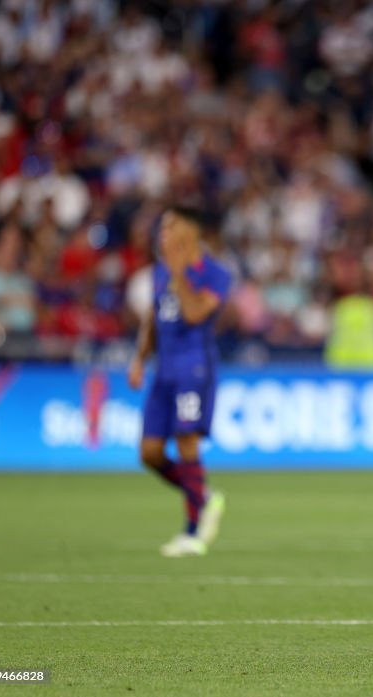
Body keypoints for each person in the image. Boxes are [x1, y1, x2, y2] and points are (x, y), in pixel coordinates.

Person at [128, 207, 232, 558]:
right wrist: (140, 358)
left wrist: (179, 274)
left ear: (190, 233)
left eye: (170, 227)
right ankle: (203, 496)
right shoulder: (160, 270)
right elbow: (153, 317)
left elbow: (195, 313)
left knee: (187, 441)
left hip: (194, 368)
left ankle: (193, 531)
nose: (162, 233)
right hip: (164, 369)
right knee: (149, 452)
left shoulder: (215, 273)